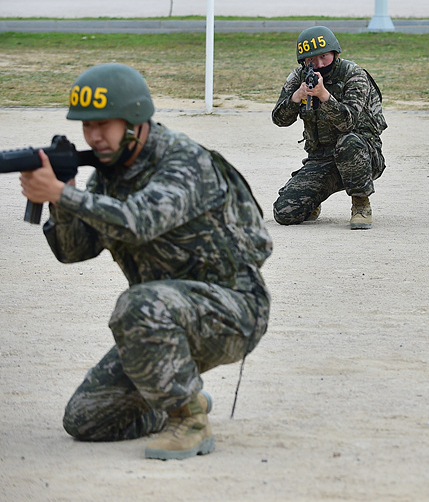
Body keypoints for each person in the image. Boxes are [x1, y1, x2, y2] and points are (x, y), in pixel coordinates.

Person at [19, 63, 272, 460]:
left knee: (136, 306)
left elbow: (139, 221)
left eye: (104, 124)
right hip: (165, 313)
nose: (94, 136)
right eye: (87, 126)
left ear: (134, 120)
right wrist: (59, 201)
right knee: (86, 419)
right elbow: (74, 251)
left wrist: (64, 195)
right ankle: (183, 394)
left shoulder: (183, 161)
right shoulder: (109, 174)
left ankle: (189, 422)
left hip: (234, 308)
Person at [272, 26, 386, 229]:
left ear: (336, 53)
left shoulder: (354, 75)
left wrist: (324, 95)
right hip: (322, 158)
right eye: (311, 59)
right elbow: (279, 119)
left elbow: (347, 122)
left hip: (362, 156)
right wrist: (296, 97)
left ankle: (361, 202)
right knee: (285, 213)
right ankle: (314, 198)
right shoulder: (299, 78)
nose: (318, 64)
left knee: (348, 141)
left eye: (324, 56)